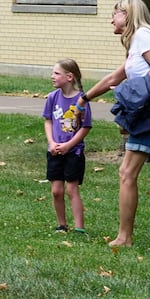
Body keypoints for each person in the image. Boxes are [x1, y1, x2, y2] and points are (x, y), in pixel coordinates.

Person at [84, 0, 150, 249]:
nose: (111, 20)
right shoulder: (137, 44)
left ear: (127, 14)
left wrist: (134, 92)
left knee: (126, 173)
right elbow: (113, 77)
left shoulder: (143, 35)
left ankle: (124, 237)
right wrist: (83, 99)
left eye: (114, 14)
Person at [43, 58, 92, 234]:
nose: (52, 76)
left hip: (74, 152)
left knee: (72, 189)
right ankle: (62, 225)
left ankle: (79, 227)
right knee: (56, 191)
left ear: (69, 77)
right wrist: (52, 143)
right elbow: (48, 121)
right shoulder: (52, 97)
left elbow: (85, 127)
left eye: (56, 73)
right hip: (55, 151)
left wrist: (69, 145)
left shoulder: (81, 100)